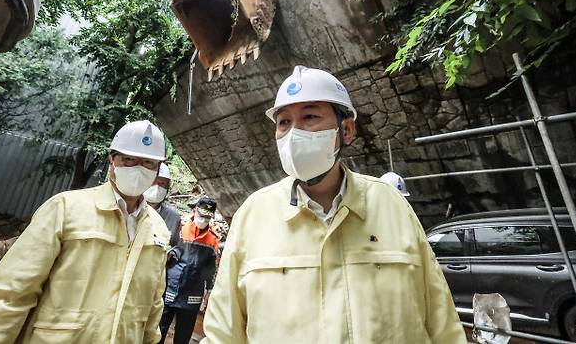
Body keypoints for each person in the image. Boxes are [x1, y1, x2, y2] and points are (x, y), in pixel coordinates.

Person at [202, 66, 466, 343]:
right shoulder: (253, 215)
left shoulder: (391, 206)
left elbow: (441, 321)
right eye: (284, 123)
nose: (294, 133)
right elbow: (223, 333)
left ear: (347, 129)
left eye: (310, 116)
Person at [0, 120, 171, 344]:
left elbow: (153, 306)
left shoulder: (158, 230)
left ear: (157, 170)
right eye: (129, 160)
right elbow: (11, 293)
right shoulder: (65, 208)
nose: (138, 169)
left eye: (148, 163)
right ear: (112, 160)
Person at [160, 196, 220, 344]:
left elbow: (211, 270)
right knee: (159, 329)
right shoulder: (179, 228)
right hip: (170, 288)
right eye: (201, 215)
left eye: (207, 217)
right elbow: (165, 252)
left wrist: (210, 292)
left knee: (184, 334)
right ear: (194, 211)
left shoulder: (212, 241)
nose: (203, 220)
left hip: (192, 295)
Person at [145, 162, 182, 247]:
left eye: (162, 184)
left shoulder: (173, 218)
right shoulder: (131, 209)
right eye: (154, 182)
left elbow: (175, 247)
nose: (157, 187)